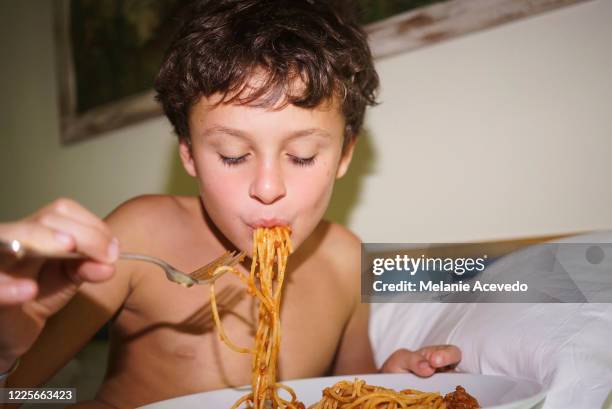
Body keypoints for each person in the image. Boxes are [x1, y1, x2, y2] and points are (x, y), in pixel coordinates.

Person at [0, 0, 460, 407]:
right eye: (232, 155)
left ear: (343, 155)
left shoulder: (345, 259)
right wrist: (7, 359)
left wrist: (390, 386)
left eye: (301, 156)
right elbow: (29, 393)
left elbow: (343, 392)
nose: (266, 187)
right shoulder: (140, 235)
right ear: (190, 155)